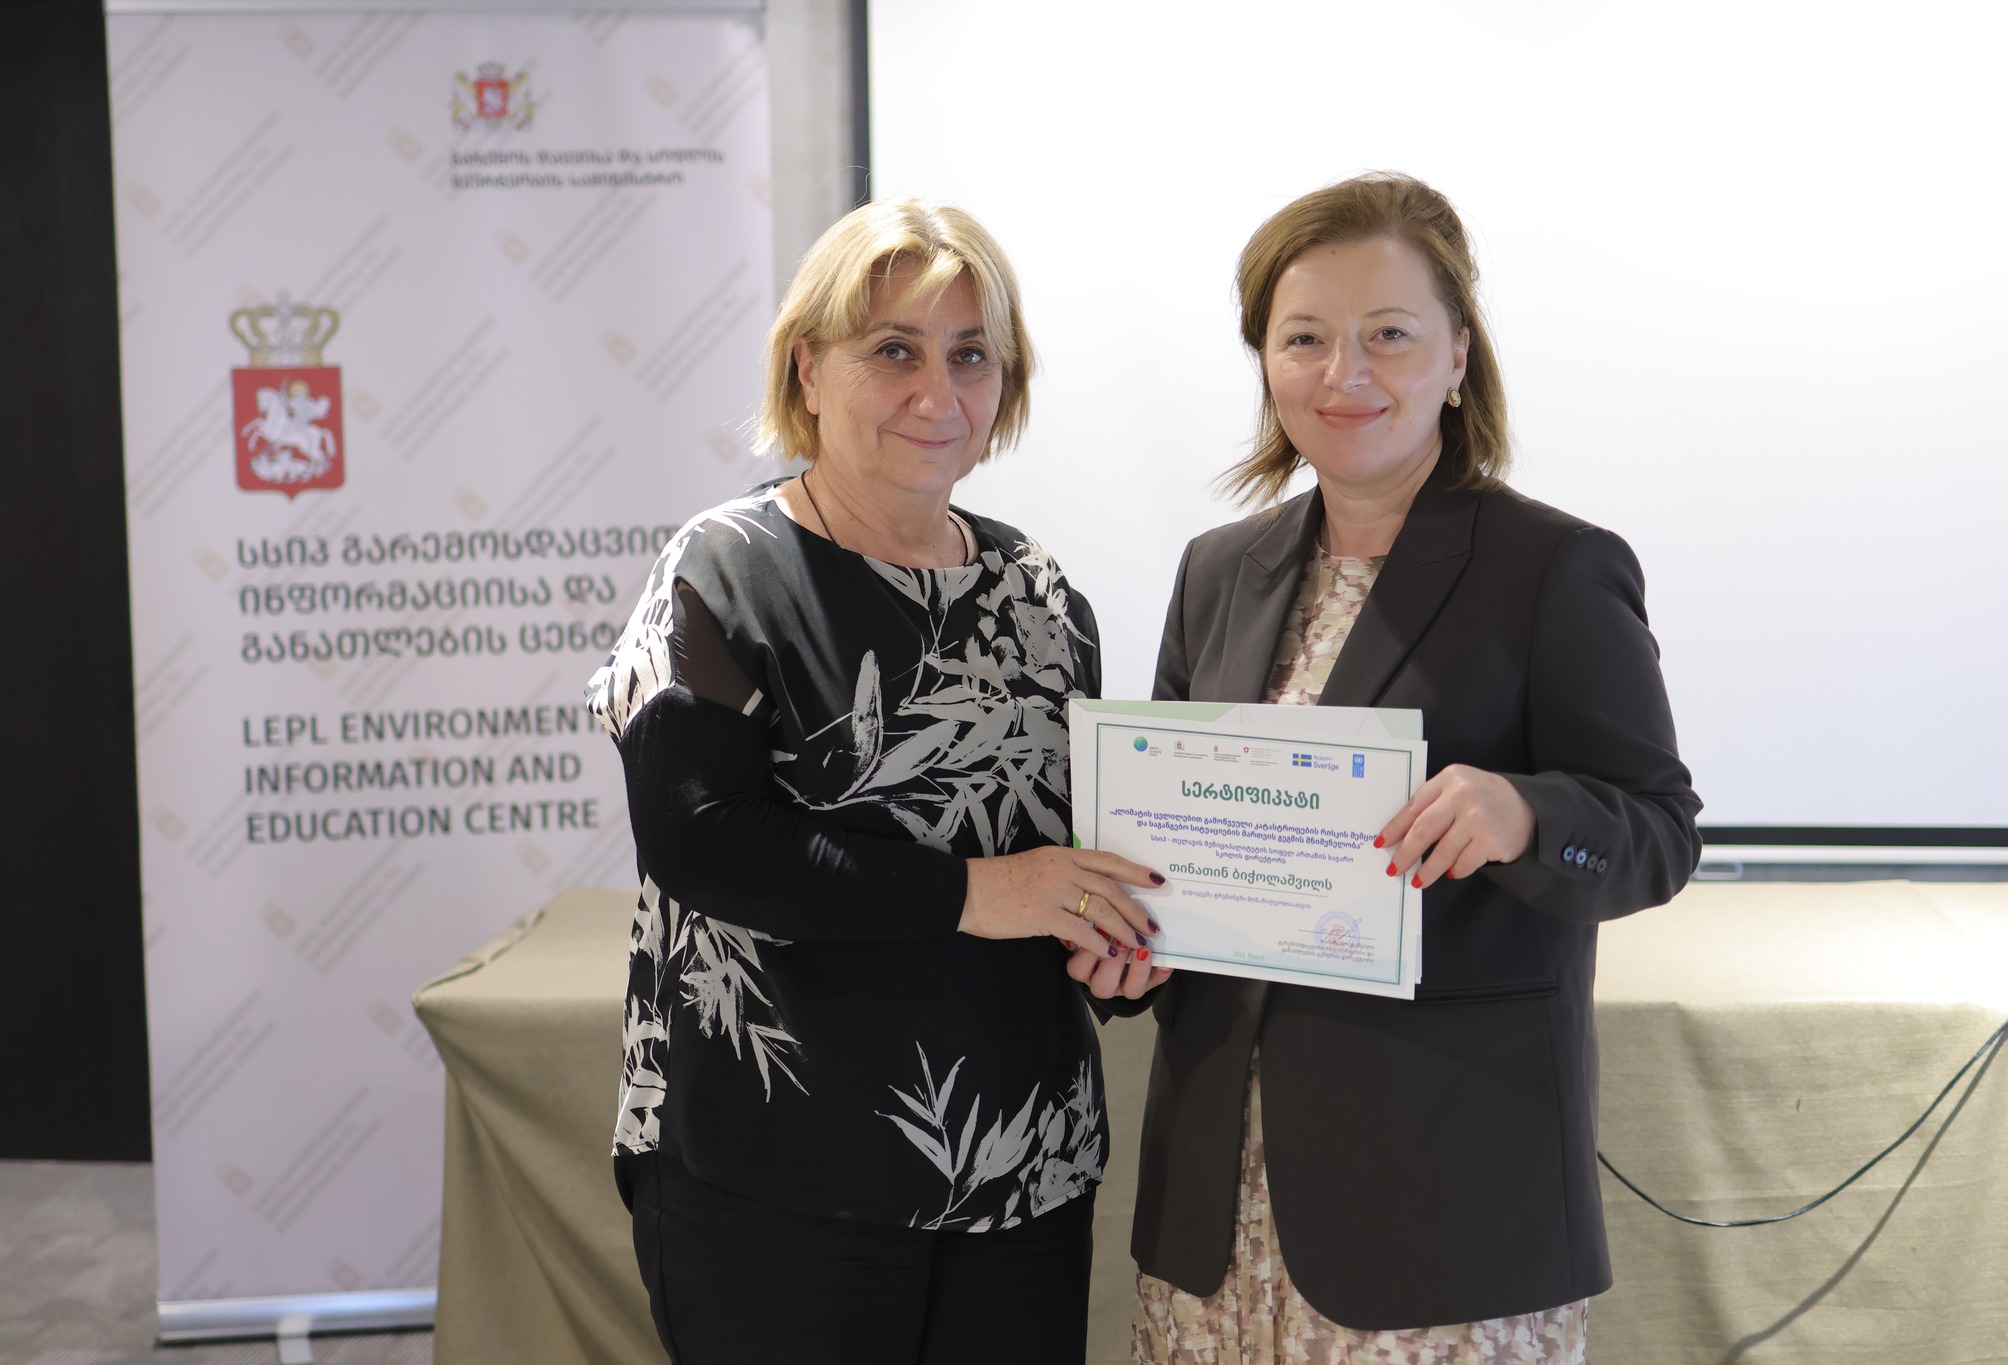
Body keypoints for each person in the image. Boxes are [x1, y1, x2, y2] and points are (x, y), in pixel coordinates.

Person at [1073, 173, 1702, 1363]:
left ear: (1457, 355)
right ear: (1265, 360)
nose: (1342, 374)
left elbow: (1658, 835)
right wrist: (1129, 947)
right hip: (1218, 1219)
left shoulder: (1552, 569)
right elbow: (1170, 851)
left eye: (1389, 336)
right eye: (1302, 338)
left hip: (1440, 1209)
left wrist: (1523, 812)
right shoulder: (1217, 570)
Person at [587, 198, 1163, 1365]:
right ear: (808, 368)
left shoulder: (1040, 597)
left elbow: (1071, 854)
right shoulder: (726, 570)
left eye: (970, 356)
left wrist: (1120, 952)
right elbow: (699, 839)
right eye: (893, 351)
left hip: (1022, 1174)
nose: (935, 393)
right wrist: (980, 893)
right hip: (777, 1183)